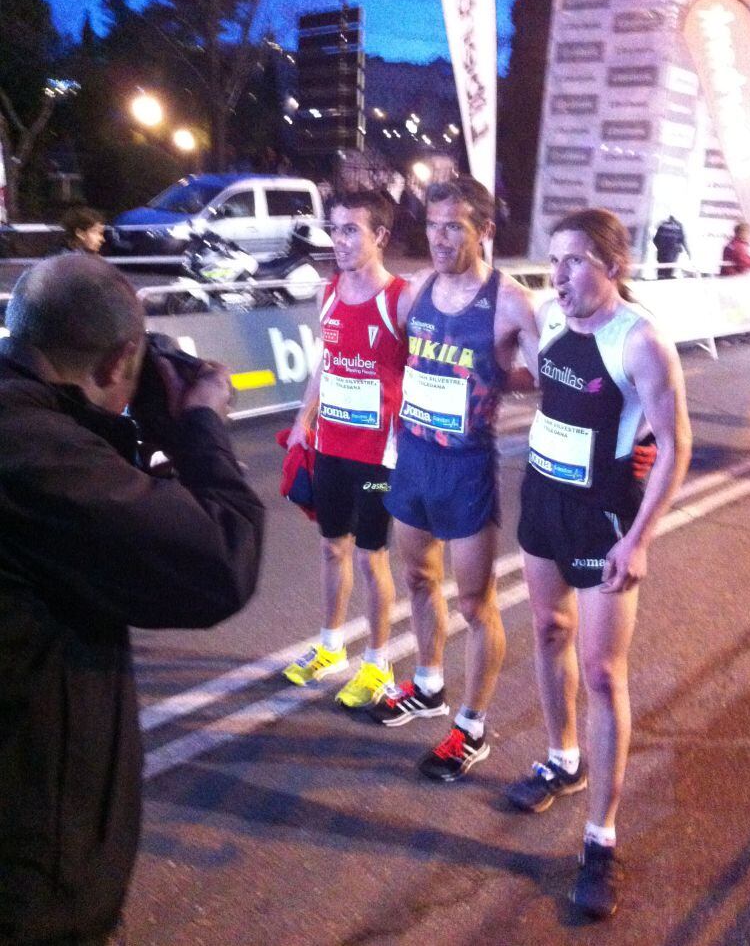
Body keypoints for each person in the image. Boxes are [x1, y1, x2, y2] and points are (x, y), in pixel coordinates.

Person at [0, 255, 264, 944]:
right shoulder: (36, 455)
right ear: (120, 359)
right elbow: (218, 560)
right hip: (31, 883)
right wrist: (200, 427)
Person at [506, 208, 692, 919]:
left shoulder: (639, 341)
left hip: (603, 518)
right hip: (542, 505)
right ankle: (562, 758)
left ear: (612, 265)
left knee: (602, 669)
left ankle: (601, 838)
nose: (559, 274)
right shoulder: (553, 319)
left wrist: (639, 538)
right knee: (548, 634)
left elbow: (675, 445)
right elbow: (548, 383)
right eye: (554, 259)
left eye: (576, 260)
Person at [368, 176, 540, 782]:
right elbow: (406, 364)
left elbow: (552, 377)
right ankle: (428, 684)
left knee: (474, 602)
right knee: (417, 577)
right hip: (413, 460)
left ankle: (471, 727)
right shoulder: (418, 290)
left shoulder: (512, 302)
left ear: (484, 230)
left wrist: (499, 378)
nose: (439, 239)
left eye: (454, 227)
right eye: (433, 226)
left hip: (467, 469)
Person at [282, 191, 408, 708]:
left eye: (351, 229)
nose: (339, 240)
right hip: (331, 444)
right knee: (331, 546)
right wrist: (301, 420)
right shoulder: (327, 294)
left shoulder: (402, 297)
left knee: (371, 554)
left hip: (380, 457)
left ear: (380, 236)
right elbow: (326, 363)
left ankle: (378, 663)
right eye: (334, 229)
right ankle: (331, 645)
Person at [652, 214, 689, 280]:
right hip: (673, 251)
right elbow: (683, 240)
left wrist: (659, 247)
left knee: (661, 268)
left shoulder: (662, 225)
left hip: (662, 251)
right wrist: (687, 251)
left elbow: (655, 239)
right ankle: (667, 277)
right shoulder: (679, 226)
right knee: (670, 267)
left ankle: (661, 277)